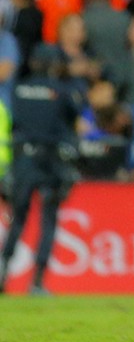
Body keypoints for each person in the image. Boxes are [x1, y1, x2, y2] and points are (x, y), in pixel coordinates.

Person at [0, 44, 80, 295]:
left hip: (23, 159)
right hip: (50, 161)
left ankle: (2, 274)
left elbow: (15, 122)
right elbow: (73, 118)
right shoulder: (60, 90)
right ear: (55, 65)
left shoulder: (18, 89)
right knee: (48, 220)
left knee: (18, 219)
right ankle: (37, 282)